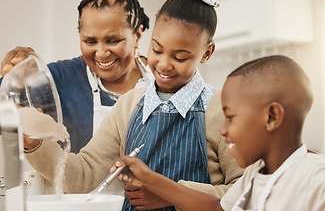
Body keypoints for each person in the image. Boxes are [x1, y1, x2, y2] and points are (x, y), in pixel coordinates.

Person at [23, 0, 243, 210]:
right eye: (157, 50)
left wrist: (170, 194)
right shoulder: (128, 105)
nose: (164, 64)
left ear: (207, 53)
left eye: (179, 57)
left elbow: (245, 191)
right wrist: (34, 145)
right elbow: (84, 176)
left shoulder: (223, 108)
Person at [112, 55, 325, 211]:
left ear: (271, 117)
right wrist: (148, 178)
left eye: (231, 117)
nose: (223, 129)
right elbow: (217, 208)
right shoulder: (256, 173)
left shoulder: (317, 180)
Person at [0, 0, 152, 153]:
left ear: (137, 36)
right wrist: (20, 79)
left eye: (113, 40)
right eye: (90, 42)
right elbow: (6, 110)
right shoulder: (60, 79)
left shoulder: (163, 78)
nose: (101, 53)